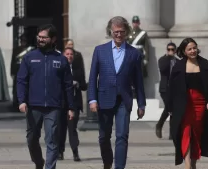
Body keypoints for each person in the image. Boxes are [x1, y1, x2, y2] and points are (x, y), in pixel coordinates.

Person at [88, 16, 146, 169]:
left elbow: (139, 81)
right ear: (110, 32)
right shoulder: (100, 51)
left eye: (121, 32)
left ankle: (119, 167)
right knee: (103, 137)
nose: (119, 35)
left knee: (122, 136)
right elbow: (93, 77)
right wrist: (92, 99)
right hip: (104, 98)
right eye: (115, 32)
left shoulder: (134, 54)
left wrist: (141, 104)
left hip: (124, 100)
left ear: (126, 31)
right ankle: (107, 162)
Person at [17, 24, 75, 169]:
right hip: (33, 106)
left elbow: (68, 85)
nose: (41, 39)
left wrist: (71, 107)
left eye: (44, 37)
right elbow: (21, 80)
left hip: (53, 107)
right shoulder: (29, 58)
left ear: (53, 39)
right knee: (31, 139)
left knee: (52, 140)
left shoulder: (61, 60)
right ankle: (38, 162)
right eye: (39, 37)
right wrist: (22, 100)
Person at [167, 38, 208, 169]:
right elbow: (171, 88)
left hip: (200, 103)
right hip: (184, 104)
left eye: (194, 48)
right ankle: (188, 164)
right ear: (184, 51)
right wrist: (170, 106)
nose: (193, 51)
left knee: (196, 133)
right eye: (189, 49)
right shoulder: (178, 66)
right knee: (186, 132)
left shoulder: (205, 64)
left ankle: (193, 163)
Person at [58, 47, 87, 161]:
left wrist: (78, 84)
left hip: (74, 103)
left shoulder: (77, 70)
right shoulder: (58, 68)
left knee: (72, 128)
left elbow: (84, 86)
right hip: (61, 103)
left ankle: (75, 152)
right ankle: (60, 152)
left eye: (71, 54)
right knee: (61, 129)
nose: (69, 56)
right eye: (67, 54)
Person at [155, 42, 180, 139]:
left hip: (174, 89)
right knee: (169, 107)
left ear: (175, 50)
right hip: (165, 89)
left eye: (172, 49)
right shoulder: (162, 60)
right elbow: (163, 69)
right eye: (169, 49)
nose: (170, 51)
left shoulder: (178, 62)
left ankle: (171, 133)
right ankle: (159, 125)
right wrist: (168, 58)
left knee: (172, 109)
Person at [10, 33, 34, 110]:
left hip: (28, 72)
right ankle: (16, 104)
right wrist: (12, 72)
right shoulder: (16, 50)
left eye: (24, 40)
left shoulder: (30, 50)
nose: (23, 42)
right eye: (22, 40)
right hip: (18, 71)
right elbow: (13, 61)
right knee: (16, 89)